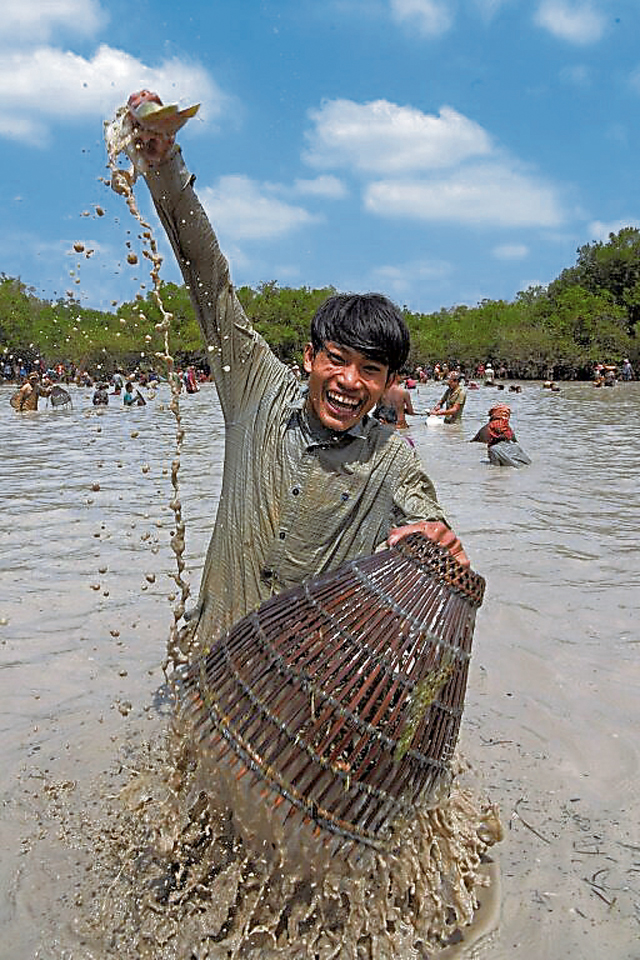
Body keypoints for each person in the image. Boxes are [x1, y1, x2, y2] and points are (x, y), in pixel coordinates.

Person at [118, 89, 469, 647]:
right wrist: (164, 165)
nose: (350, 381)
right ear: (309, 358)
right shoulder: (255, 390)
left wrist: (439, 539)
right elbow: (209, 282)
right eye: (337, 359)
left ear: (387, 383)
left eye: (370, 370)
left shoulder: (393, 458)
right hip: (211, 653)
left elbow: (433, 529)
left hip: (298, 689)